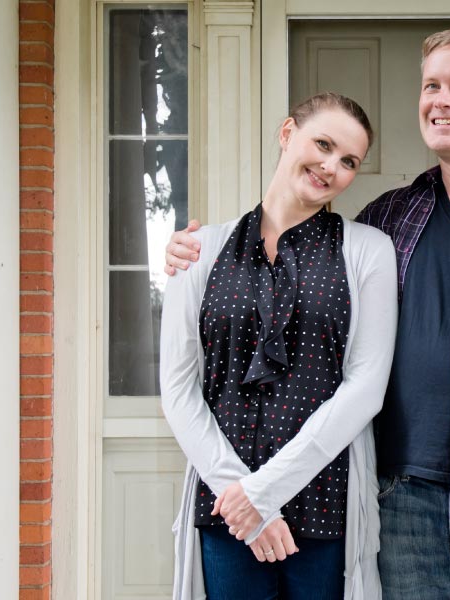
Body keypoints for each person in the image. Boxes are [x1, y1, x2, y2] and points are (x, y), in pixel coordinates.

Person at [165, 29, 450, 600]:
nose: (442, 100)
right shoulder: (389, 220)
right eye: (432, 86)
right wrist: (189, 252)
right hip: (406, 509)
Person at [159, 92, 397, 600]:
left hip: (324, 503)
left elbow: (366, 389)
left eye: (349, 161)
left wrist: (264, 494)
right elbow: (178, 390)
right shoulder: (198, 252)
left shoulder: (368, 252)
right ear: (288, 133)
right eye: (324, 144)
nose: (331, 166)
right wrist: (242, 498)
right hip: (226, 508)